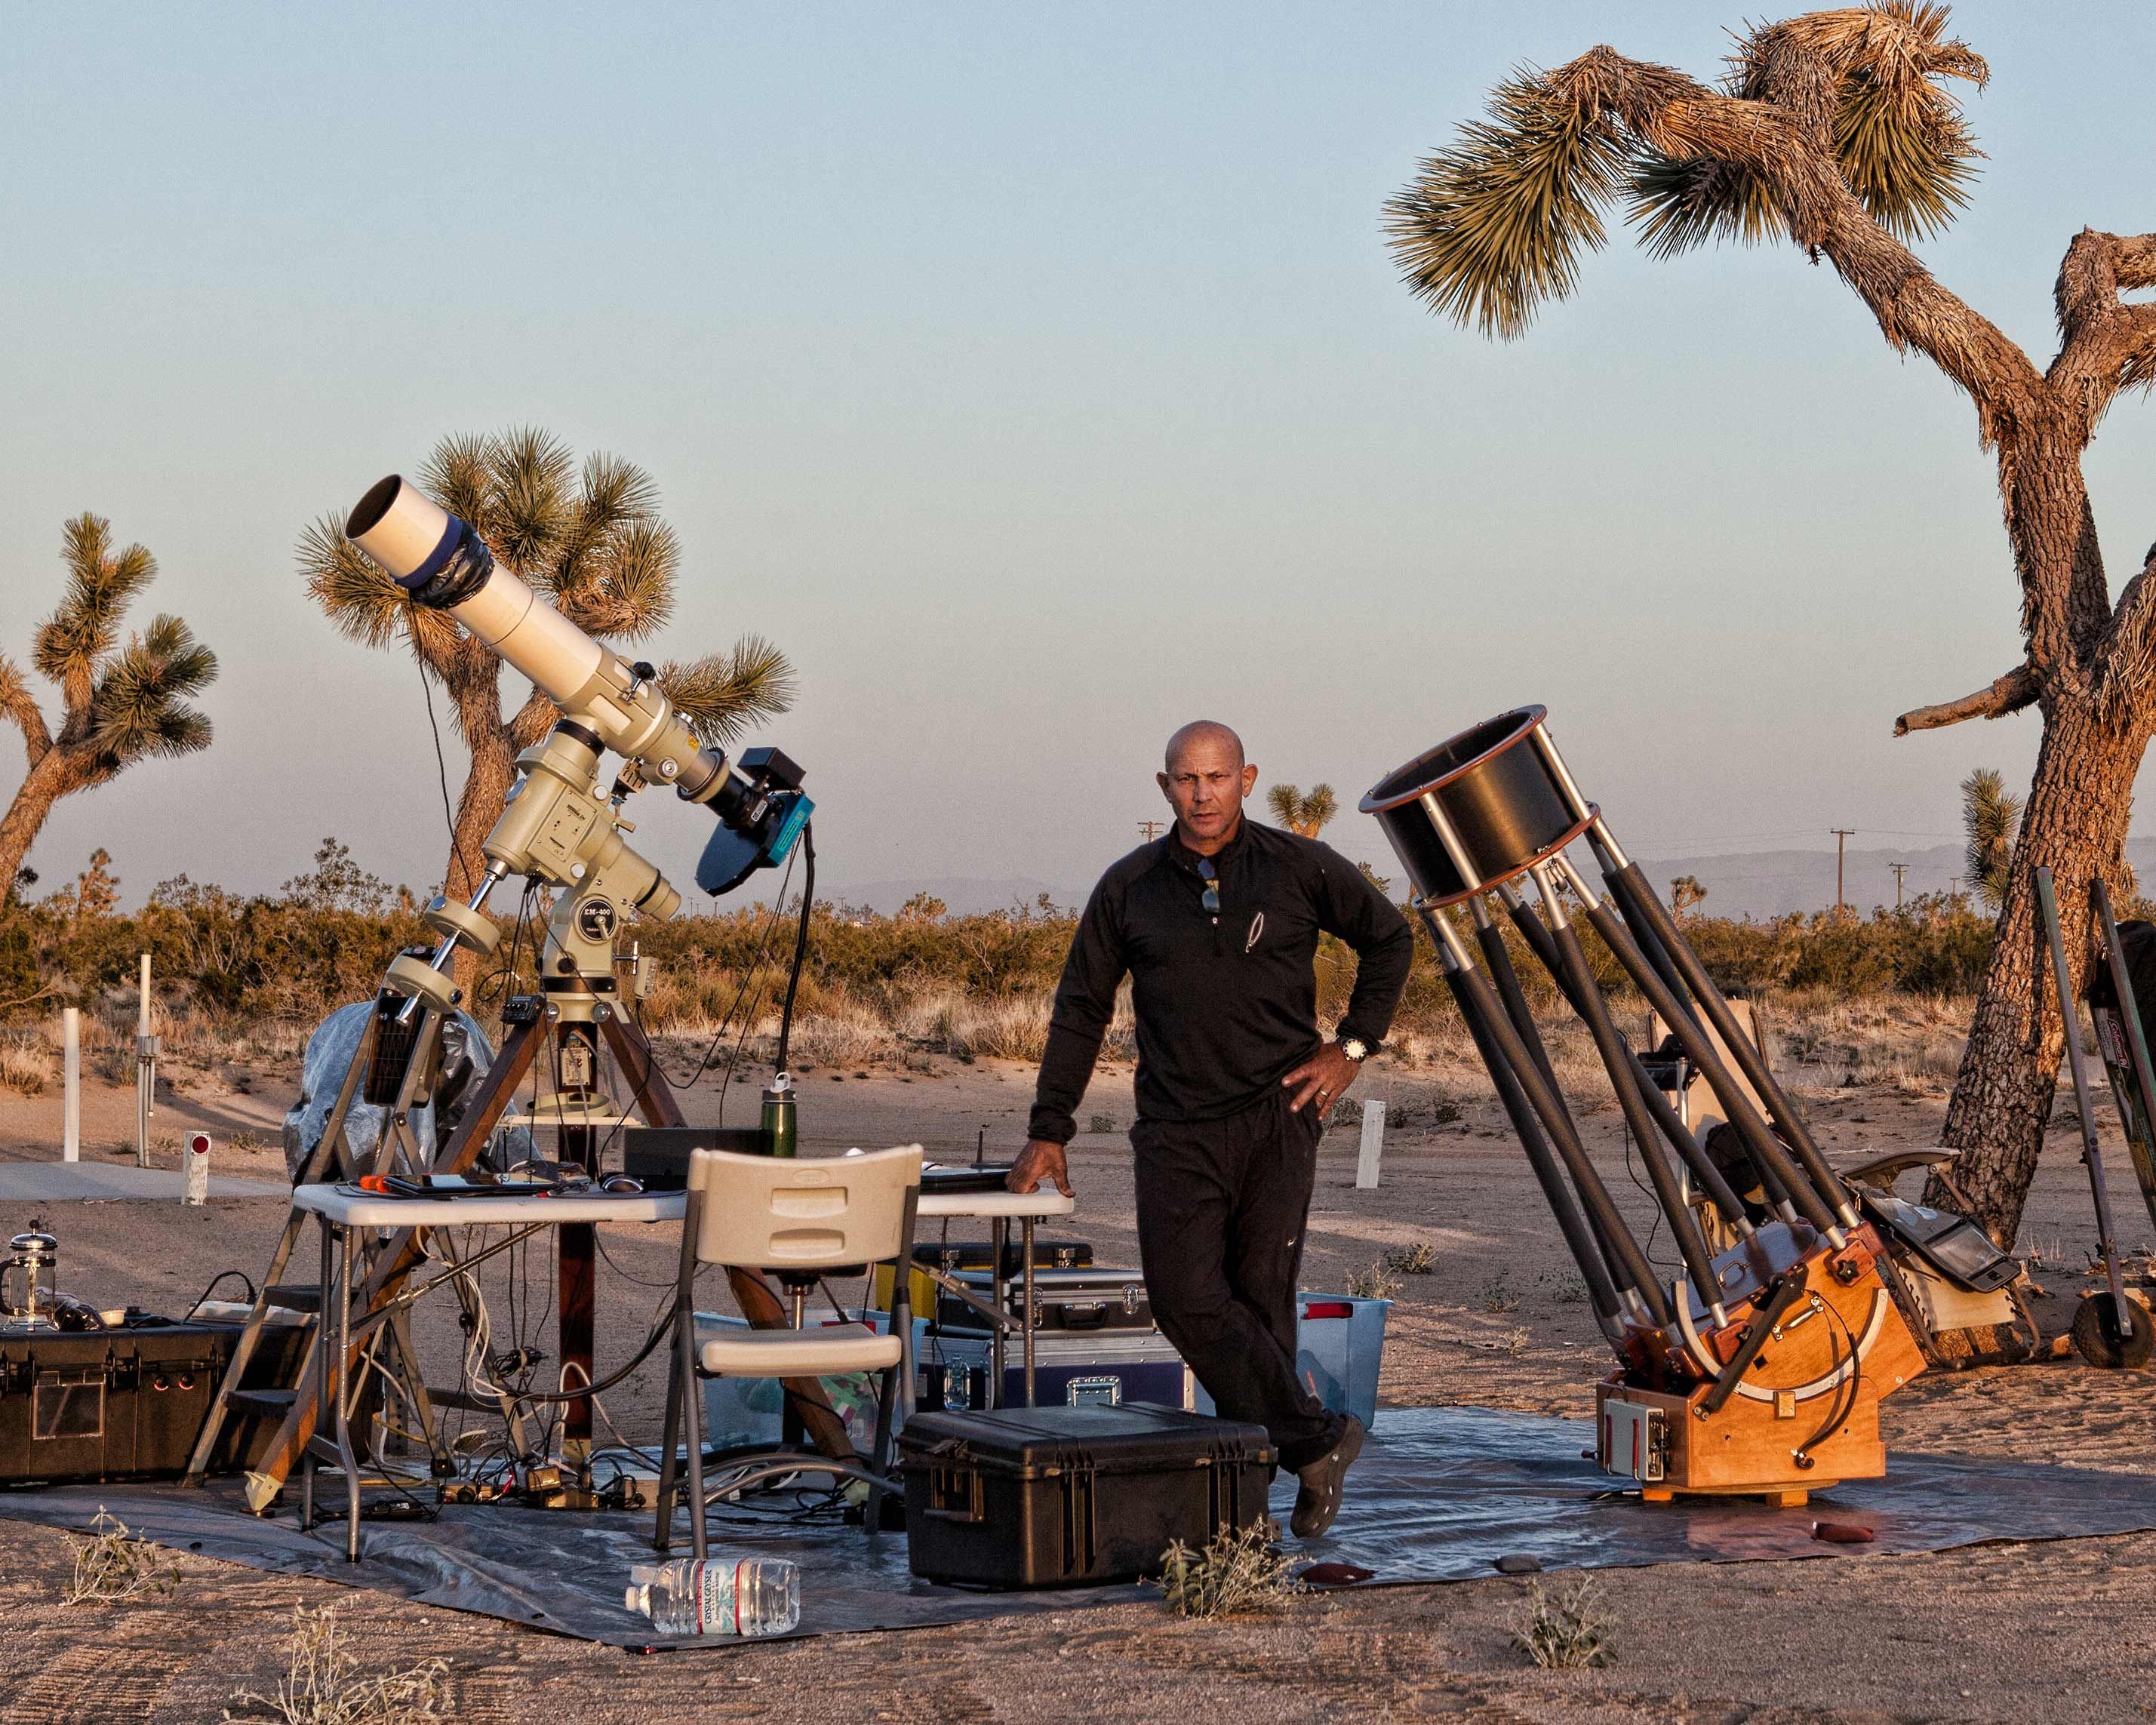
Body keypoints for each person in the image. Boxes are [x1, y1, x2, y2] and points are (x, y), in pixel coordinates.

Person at [1010, 720, 1413, 1537]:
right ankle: (1316, 1441)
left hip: (1280, 1113)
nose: (1201, 794)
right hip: (1176, 1129)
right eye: (1185, 780)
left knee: (1261, 1302)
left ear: (1247, 778)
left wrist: (1352, 1047)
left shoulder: (1298, 866)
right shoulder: (1128, 888)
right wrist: (1049, 1126)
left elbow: (1388, 937)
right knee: (1186, 1296)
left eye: (1216, 777)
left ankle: (1247, 1506)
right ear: (1164, 788)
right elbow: (1080, 1007)